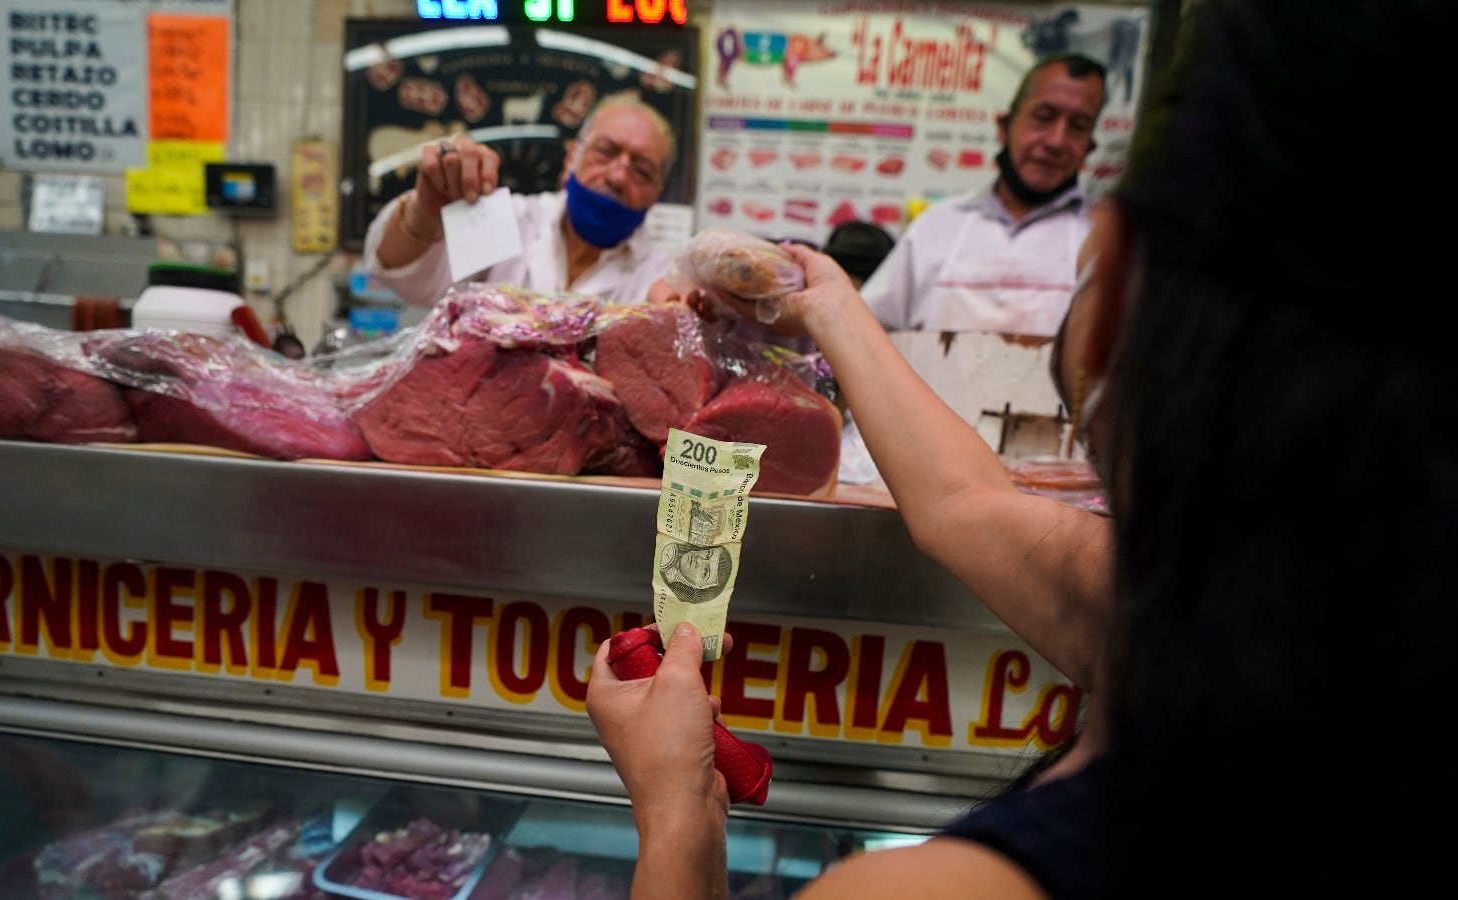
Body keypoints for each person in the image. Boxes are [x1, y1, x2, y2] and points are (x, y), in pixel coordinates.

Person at [586, 1, 1453, 897]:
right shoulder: (1258, 625)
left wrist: (679, 809)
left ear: (1106, 300)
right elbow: (968, 505)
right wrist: (828, 304)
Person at [861, 53, 1106, 336]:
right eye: (1044, 117)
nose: (1056, 141)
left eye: (1078, 126)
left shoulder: (1104, 242)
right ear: (1005, 126)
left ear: (1090, 146)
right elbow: (866, 334)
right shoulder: (936, 227)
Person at [362, 94, 677, 308]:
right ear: (571, 159)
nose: (618, 176)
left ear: (656, 196)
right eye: (605, 152)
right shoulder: (507, 220)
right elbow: (405, 278)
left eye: (641, 170)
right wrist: (424, 214)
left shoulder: (663, 276)